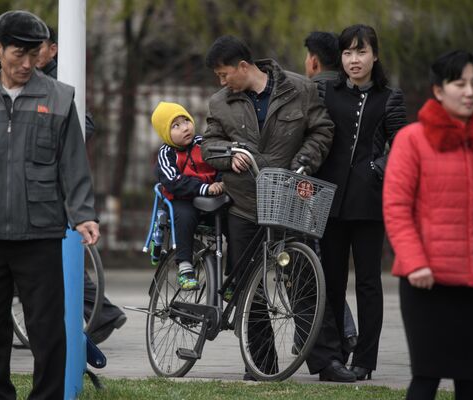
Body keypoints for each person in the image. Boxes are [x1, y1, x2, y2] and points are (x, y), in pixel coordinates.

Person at [0, 10, 99, 399]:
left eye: (36, 55)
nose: (29, 64)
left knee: (47, 330)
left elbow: (73, 162)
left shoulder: (60, 98)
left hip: (40, 231)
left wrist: (82, 215)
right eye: (20, 54)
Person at [383, 50, 473, 400]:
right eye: (459, 83)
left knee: (469, 381)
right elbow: (396, 208)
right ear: (438, 90)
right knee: (426, 380)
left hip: (472, 282)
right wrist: (415, 262)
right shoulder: (412, 140)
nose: (470, 91)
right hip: (424, 283)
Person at [201, 35, 336, 381]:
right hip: (244, 205)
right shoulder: (220, 103)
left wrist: (305, 160)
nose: (221, 81)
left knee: (306, 281)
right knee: (250, 288)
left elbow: (322, 130)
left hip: (289, 200)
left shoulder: (299, 89)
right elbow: (209, 147)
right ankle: (260, 363)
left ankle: (325, 362)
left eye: (224, 73)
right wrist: (230, 156)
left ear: (244, 67)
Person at [315, 24, 407, 381]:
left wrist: (375, 167)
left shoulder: (390, 97)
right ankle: (334, 356)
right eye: (348, 53)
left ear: (375, 55)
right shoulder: (328, 92)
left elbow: (403, 143)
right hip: (329, 200)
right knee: (332, 282)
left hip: (369, 203)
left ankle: (365, 359)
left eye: (361, 51)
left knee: (368, 283)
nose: (354, 60)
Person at [35, 23, 126, 345]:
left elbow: (85, 124)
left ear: (53, 50)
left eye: (37, 47)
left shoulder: (61, 78)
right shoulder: (27, 76)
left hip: (51, 180)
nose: (30, 55)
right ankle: (97, 313)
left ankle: (101, 313)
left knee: (43, 254)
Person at [304, 30, 359, 361]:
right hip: (345, 196)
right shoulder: (352, 93)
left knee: (305, 269)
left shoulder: (308, 91)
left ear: (312, 60)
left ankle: (338, 335)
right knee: (327, 270)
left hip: (309, 191)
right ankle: (340, 336)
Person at [152, 101, 224, 289]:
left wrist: (221, 180)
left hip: (210, 198)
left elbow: (220, 162)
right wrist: (204, 188)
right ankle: (184, 266)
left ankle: (233, 275)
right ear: (165, 133)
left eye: (186, 121)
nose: (185, 128)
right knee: (184, 215)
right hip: (182, 198)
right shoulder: (167, 153)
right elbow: (173, 182)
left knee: (236, 218)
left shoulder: (203, 144)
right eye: (176, 126)